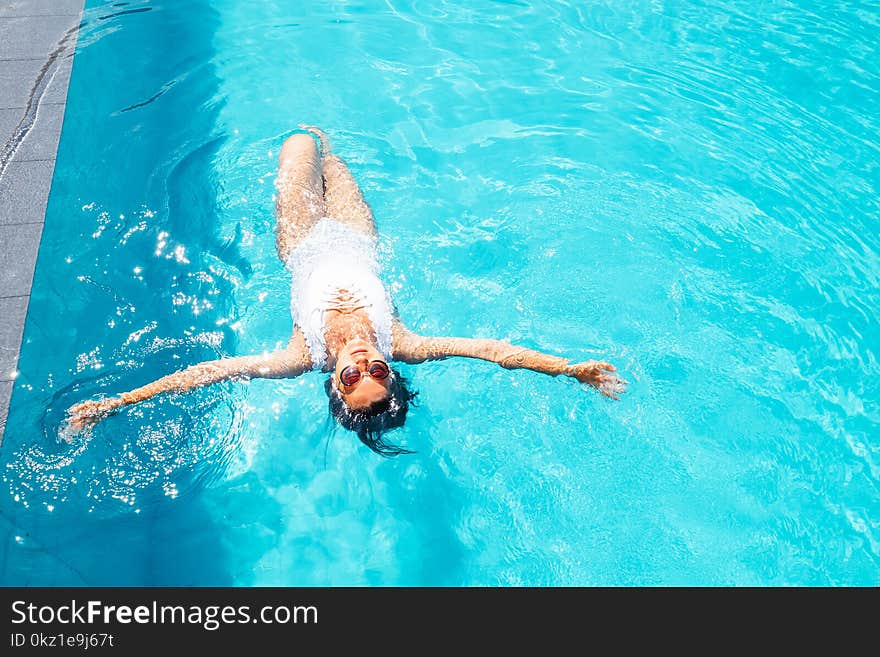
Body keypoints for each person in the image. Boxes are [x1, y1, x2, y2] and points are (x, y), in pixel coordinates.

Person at [65, 126, 627, 455]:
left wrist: (116, 404)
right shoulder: (403, 341)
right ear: (393, 373)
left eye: (352, 379)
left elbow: (205, 375)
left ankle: (311, 137)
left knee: (296, 148)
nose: (364, 365)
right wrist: (569, 369)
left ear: (334, 383)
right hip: (359, 234)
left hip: (303, 236)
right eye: (378, 375)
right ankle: (329, 141)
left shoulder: (299, 355)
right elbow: (492, 352)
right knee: (332, 158)